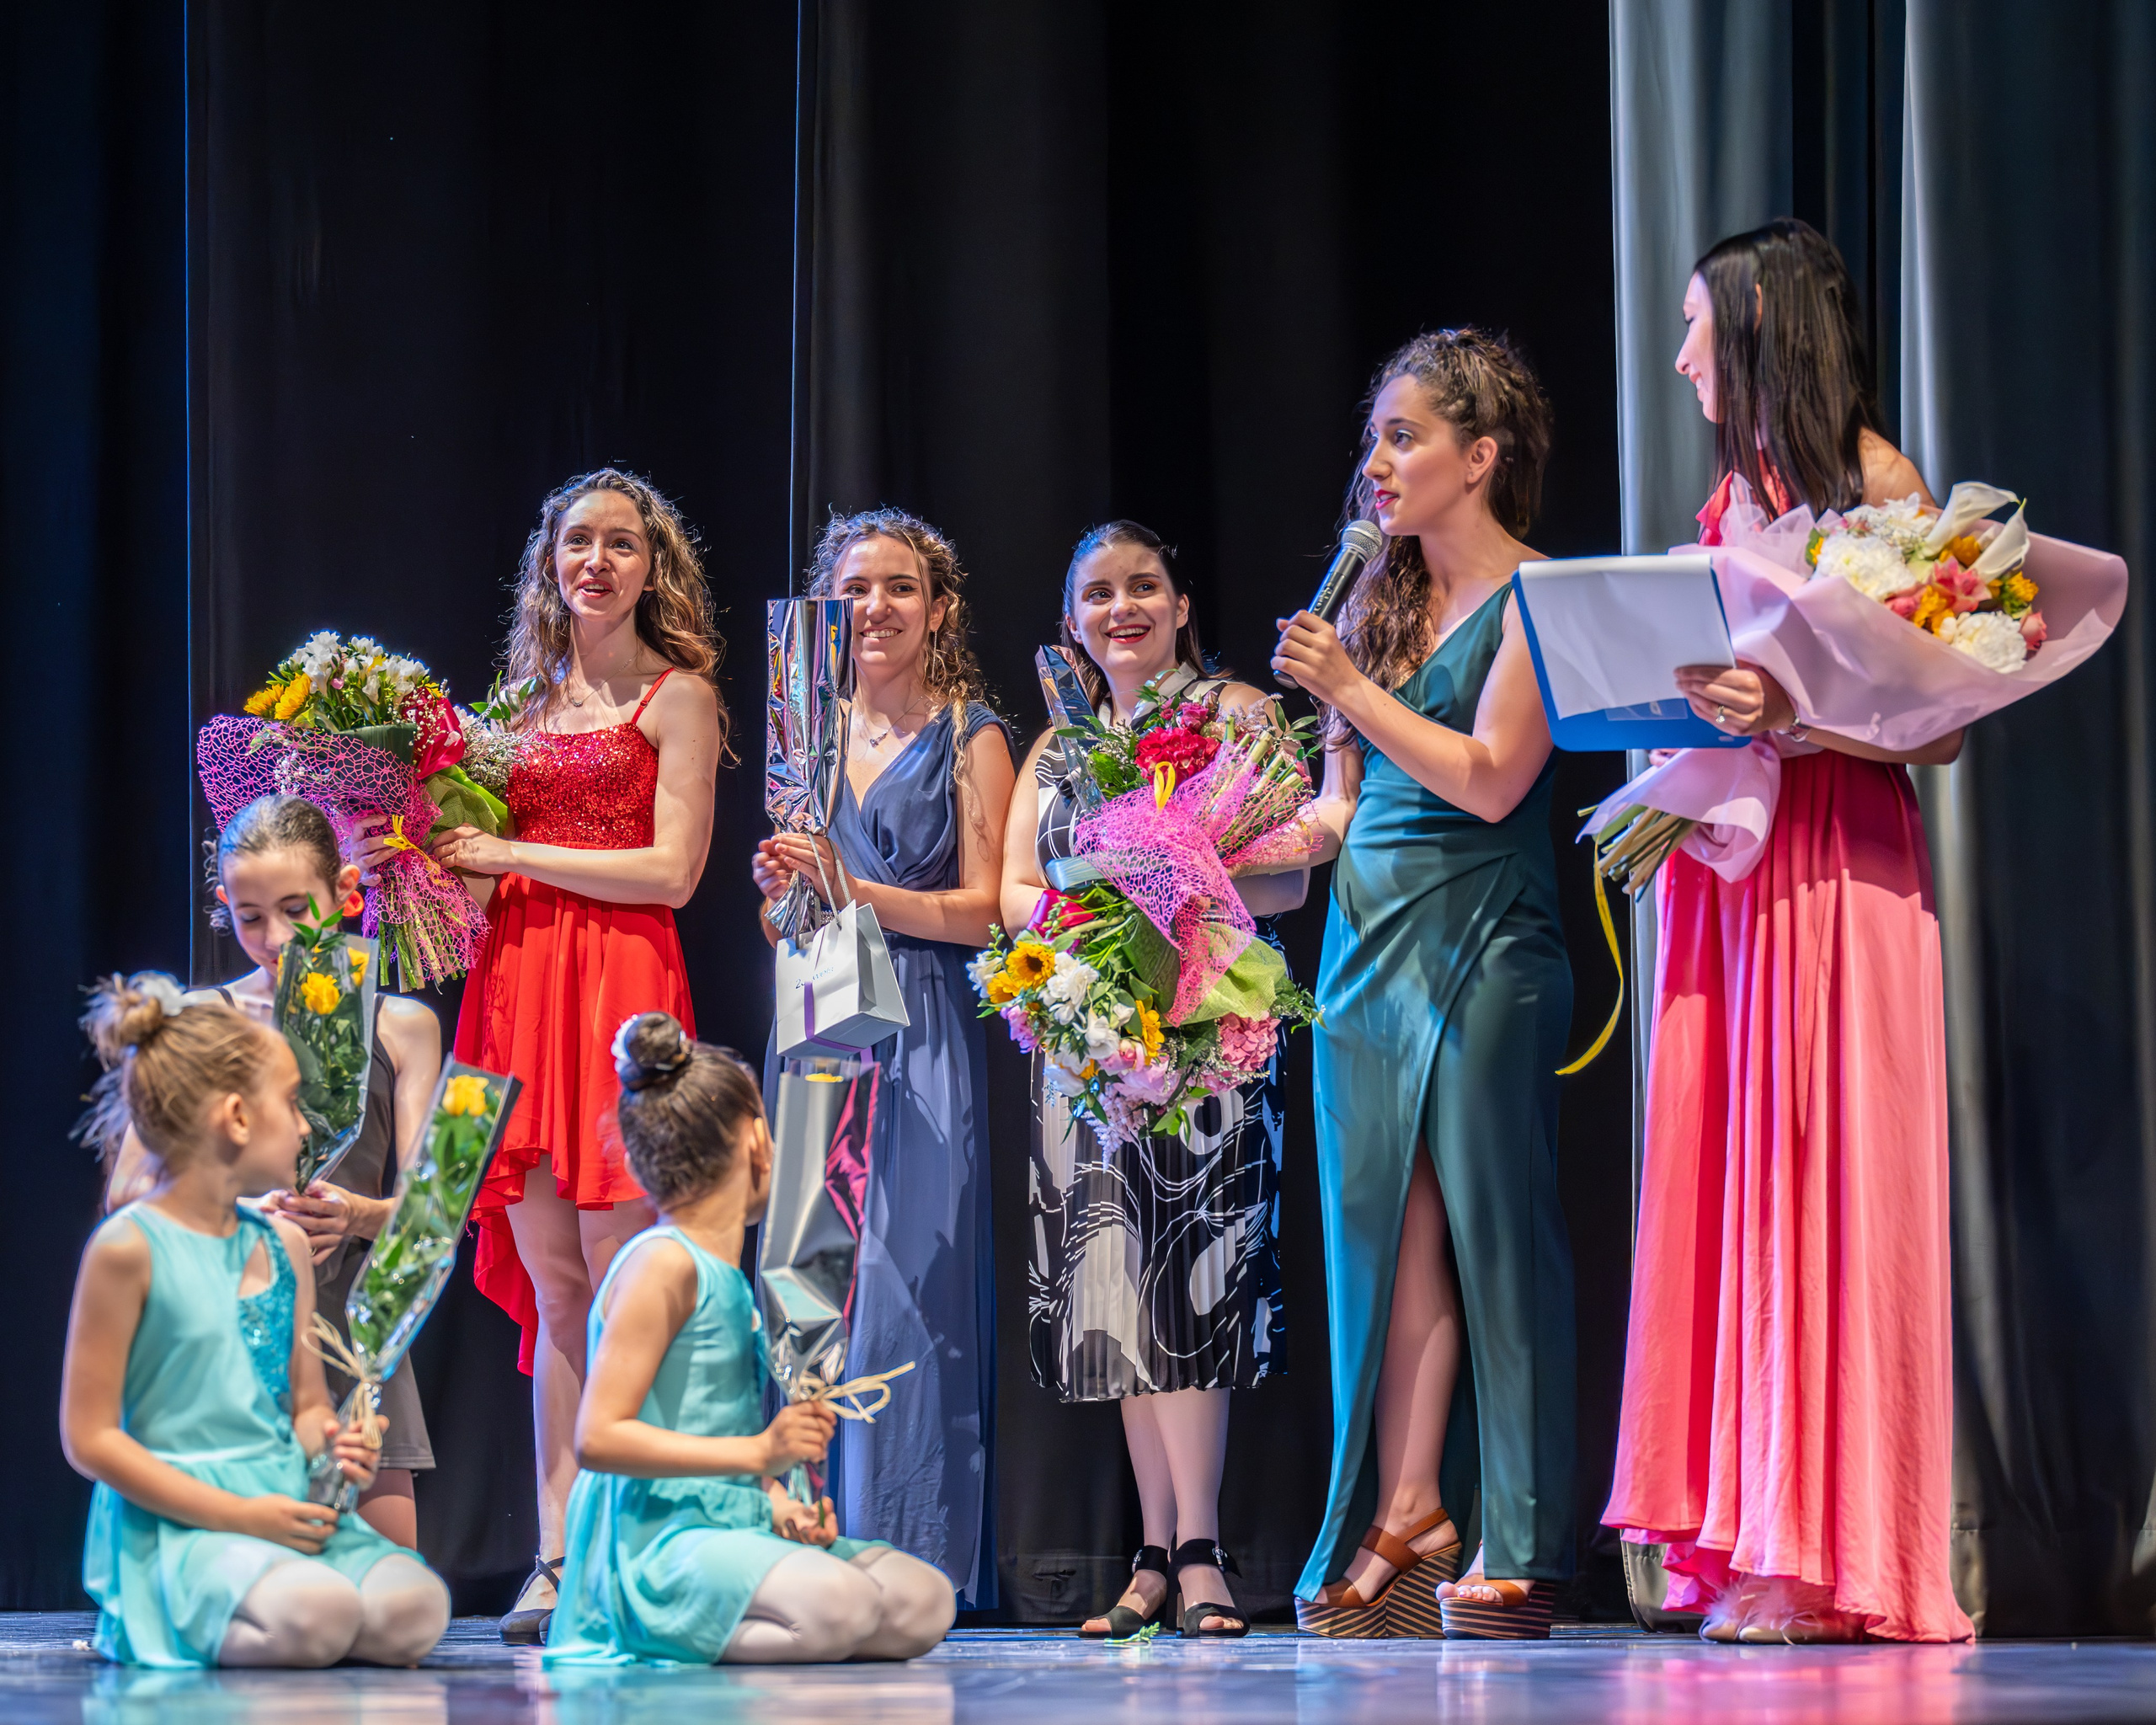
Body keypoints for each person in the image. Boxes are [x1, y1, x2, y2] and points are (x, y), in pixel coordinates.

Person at [1602, 218, 1972, 1644]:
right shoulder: (1729, 499)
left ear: (1760, 326)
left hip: (1837, 859)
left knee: (1824, 1171)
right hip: (1734, 872)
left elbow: (1938, 726)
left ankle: (1831, 1552)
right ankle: (1746, 1525)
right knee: (1734, 1179)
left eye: (1697, 323)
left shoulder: (1877, 487)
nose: (1682, 355)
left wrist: (1797, 714)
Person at [368, 467, 728, 1642]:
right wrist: (404, 856)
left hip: (621, 984)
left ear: (652, 567)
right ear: (550, 563)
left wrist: (510, 853)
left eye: (622, 544)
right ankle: (561, 1553)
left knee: (623, 1282)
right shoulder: (510, 712)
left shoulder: (680, 696)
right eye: (579, 542)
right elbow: (470, 885)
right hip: (517, 990)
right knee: (560, 1288)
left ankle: (636, 1548)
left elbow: (674, 872)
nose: (598, 562)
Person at [1269, 329, 1576, 1640]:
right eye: (1374, 440)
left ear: (1480, 455)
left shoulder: (1543, 598)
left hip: (1486, 935)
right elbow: (1343, 805)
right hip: (1364, 941)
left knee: (1495, 1230)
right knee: (1381, 1240)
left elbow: (1493, 778)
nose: (1378, 464)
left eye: (1405, 437)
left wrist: (1347, 685)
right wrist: (1197, 852)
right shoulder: (1372, 603)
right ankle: (1407, 1511)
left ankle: (1524, 1536)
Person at [999, 521, 1307, 1642]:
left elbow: (1288, 881)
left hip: (1204, 1030)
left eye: (1143, 587)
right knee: (1119, 1296)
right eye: (1098, 593)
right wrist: (1087, 930)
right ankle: (1150, 1552)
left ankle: (1201, 1549)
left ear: (1180, 605)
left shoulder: (1236, 714)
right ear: (1071, 622)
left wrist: (1174, 889)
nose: (1121, 607)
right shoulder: (1058, 747)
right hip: (1093, 1036)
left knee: (1195, 1288)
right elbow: (1012, 890)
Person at [751, 510, 1015, 1609]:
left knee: (912, 1284)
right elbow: (780, 916)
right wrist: (785, 893)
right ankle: (807, 1538)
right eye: (855, 588)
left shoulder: (970, 733)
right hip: (819, 1013)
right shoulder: (800, 730)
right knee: (809, 1279)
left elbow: (991, 911)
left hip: (923, 1019)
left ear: (938, 609)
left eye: (901, 587)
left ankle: (912, 1554)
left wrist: (854, 888)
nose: (876, 607)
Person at [62, 974, 449, 1668]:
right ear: (237, 1118)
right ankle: (164, 1621)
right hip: (188, 1521)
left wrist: (332, 1444)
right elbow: (90, 1439)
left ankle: (287, 1624)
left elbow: (305, 1405)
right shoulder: (128, 1248)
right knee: (321, 1613)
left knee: (417, 1608)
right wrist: (244, 1516)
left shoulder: (283, 1246)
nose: (305, 1127)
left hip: (280, 1504)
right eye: (293, 1104)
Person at [545, 1012, 956, 1664]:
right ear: (756, 1140)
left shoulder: (726, 1277)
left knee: (923, 1600)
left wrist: (778, 1503)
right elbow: (599, 1437)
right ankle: (637, 1628)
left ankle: (774, 1624)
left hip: (729, 1520)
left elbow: (709, 1425)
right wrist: (762, 1451)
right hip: (658, 1537)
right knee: (844, 1604)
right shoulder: (662, 1263)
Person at [106, 793, 442, 1547]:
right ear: (224, 905)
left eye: (296, 909)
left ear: (346, 892)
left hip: (352, 1328)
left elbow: (436, 1208)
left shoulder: (402, 1025)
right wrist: (233, 1214)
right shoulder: (202, 1020)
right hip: (228, 1322)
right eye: (250, 916)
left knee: (390, 1585)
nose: (275, 938)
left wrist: (356, 1214)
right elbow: (127, 1194)